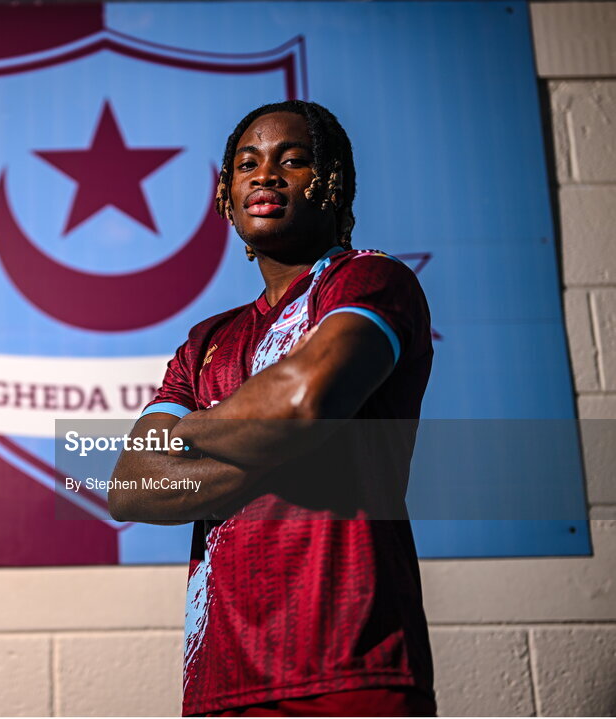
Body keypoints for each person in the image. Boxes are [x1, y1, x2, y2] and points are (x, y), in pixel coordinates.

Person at [108, 100, 437, 717]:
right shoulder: (205, 342)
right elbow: (130, 485)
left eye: (293, 160)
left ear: (332, 182)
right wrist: (280, 441)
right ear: (226, 195)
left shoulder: (367, 280)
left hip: (349, 661)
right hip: (219, 682)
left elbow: (303, 399)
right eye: (247, 163)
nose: (266, 175)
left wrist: (190, 431)